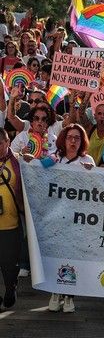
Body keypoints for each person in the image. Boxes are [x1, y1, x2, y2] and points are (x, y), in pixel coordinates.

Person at [42, 124, 95, 313]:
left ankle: (69, 295)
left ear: (82, 141)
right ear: (63, 140)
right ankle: (55, 292)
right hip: (56, 217)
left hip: (77, 219)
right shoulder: (54, 159)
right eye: (70, 137)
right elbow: (37, 170)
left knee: (72, 256)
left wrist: (92, 173)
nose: (73, 141)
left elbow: (95, 188)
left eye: (77, 138)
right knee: (55, 255)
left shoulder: (87, 160)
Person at [0, 128, 23, 310]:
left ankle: (10, 287)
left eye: (2, 142)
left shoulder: (19, 162)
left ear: (8, 142)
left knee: (9, 264)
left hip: (11, 224)